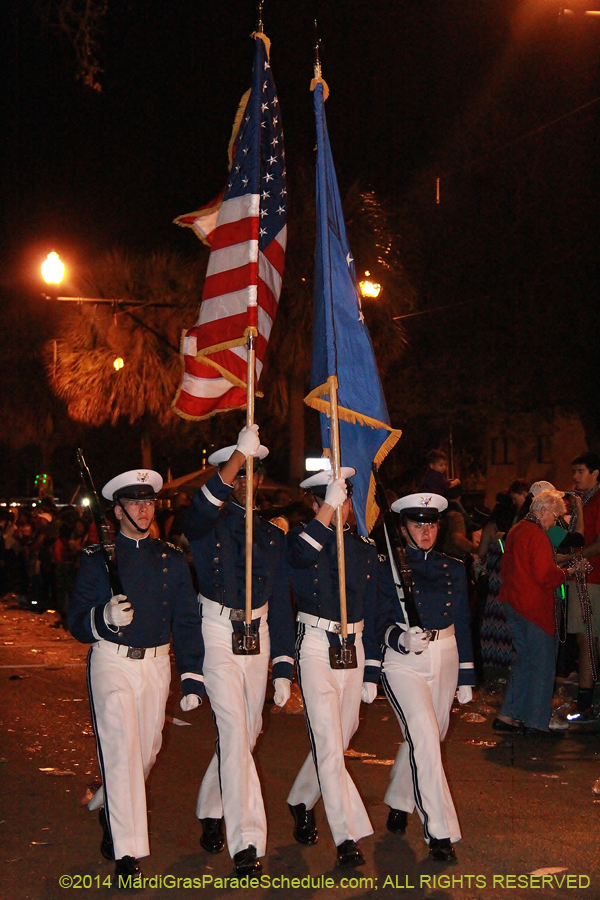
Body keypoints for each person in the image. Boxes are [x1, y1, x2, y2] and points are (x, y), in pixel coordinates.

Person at [68, 469, 204, 884]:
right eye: (135, 503)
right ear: (117, 510)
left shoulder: (172, 559)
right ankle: (128, 854)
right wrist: (103, 618)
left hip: (156, 664)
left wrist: (193, 674)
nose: (144, 510)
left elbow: (186, 620)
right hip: (112, 662)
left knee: (145, 752)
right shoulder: (96, 559)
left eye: (149, 503)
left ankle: (114, 803)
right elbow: (75, 622)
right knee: (123, 751)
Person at [182, 426, 295, 877]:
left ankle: (211, 806)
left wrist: (283, 664)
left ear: (261, 482)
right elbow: (199, 511)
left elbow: (283, 602)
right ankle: (246, 841)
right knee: (233, 732)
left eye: (252, 474)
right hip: (216, 632)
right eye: (238, 475)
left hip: (259, 633)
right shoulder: (207, 523)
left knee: (245, 735)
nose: (245, 482)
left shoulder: (273, 535)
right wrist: (233, 462)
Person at [285, 468, 380, 869]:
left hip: (353, 646)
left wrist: (373, 668)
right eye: (333, 498)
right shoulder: (302, 538)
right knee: (327, 740)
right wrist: (328, 509)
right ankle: (347, 836)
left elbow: (373, 609)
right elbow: (301, 556)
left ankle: (301, 798)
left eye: (344, 499)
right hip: (315, 645)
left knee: (338, 739)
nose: (344, 507)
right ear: (315, 501)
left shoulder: (362, 547)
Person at [377, 492, 475, 862]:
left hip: (446, 656)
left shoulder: (453, 566)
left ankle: (400, 798)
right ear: (403, 528)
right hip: (404, 661)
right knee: (423, 734)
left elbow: (462, 620)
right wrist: (399, 638)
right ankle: (440, 831)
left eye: (431, 524)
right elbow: (378, 618)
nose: (425, 531)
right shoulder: (388, 566)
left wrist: (466, 674)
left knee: (430, 738)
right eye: (417, 524)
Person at [495, 489, 583, 736]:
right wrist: (568, 573)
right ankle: (535, 722)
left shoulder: (517, 529)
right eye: (555, 518)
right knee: (543, 665)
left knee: (524, 662)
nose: (554, 523)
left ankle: (508, 715)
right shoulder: (536, 535)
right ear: (543, 510)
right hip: (534, 607)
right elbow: (545, 576)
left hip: (513, 603)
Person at [566, 453, 600, 722]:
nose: (576, 477)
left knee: (587, 639)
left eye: (580, 471)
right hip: (583, 577)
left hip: (592, 578)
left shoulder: (597, 501)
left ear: (596, 473)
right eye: (574, 471)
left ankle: (586, 704)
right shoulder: (583, 501)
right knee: (585, 639)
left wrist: (572, 559)